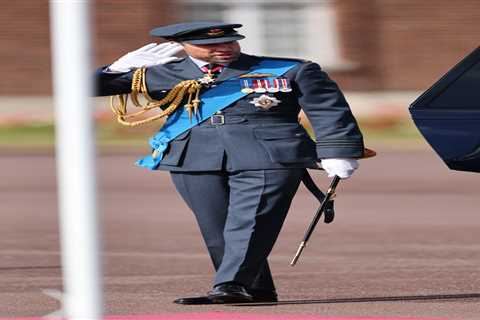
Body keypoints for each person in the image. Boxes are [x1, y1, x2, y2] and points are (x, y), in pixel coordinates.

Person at [95, 21, 365, 304]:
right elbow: (80, 88)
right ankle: (256, 288)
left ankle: (230, 284)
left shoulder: (288, 69)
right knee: (217, 228)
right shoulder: (162, 73)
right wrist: (114, 70)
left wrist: (338, 149)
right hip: (193, 155)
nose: (223, 48)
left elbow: (328, 108)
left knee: (251, 221)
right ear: (182, 47)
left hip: (269, 154)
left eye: (230, 42)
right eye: (210, 45)